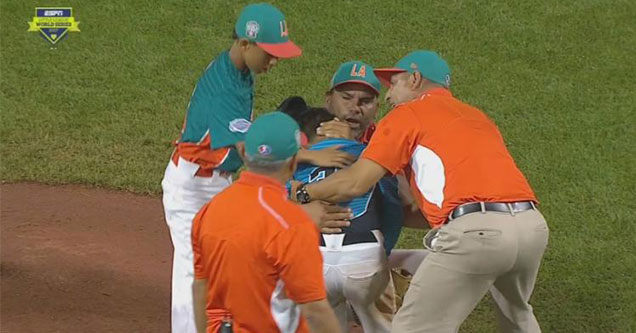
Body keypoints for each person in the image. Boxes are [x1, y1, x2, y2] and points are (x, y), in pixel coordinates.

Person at [292, 50, 550, 333]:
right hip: (531, 229)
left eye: (394, 84)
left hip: (478, 235)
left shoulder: (408, 114)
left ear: (414, 79)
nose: (389, 96)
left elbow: (355, 183)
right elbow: (444, 203)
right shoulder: (477, 116)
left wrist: (304, 194)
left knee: (412, 328)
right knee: (517, 316)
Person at [160, 4, 349, 332]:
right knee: (194, 270)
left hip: (214, 180)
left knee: (229, 258)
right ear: (245, 44)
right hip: (193, 186)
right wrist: (306, 155)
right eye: (270, 53)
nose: (274, 61)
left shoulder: (238, 69)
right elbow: (254, 153)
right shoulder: (223, 91)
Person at [191, 112, 340, 333]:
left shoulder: (208, 211)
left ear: (243, 152)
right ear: (292, 163)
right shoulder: (291, 224)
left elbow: (200, 287)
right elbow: (315, 309)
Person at [289, 107, 399, 332]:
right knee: (375, 318)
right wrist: (385, 250)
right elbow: (394, 210)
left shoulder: (292, 164)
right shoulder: (369, 155)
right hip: (363, 256)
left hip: (315, 259)